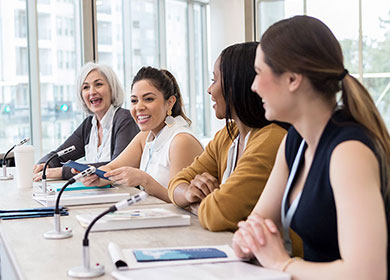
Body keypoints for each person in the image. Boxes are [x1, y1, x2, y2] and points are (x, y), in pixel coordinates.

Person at [232, 16, 390, 279]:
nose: (253, 86)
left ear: (293, 79)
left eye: (259, 73)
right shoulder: (294, 140)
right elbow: (256, 222)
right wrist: (246, 240)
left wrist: (281, 263)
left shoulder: (349, 151)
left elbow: (368, 272)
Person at [168, 42, 288, 232]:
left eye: (214, 80)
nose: (209, 89)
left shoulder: (271, 139)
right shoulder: (228, 135)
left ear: (237, 85)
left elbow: (218, 215)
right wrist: (190, 193)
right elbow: (176, 183)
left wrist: (201, 203)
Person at [81, 66, 203, 202]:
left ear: (169, 103)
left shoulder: (181, 141)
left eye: (149, 99)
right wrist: (97, 176)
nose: (139, 107)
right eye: (134, 100)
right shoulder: (146, 136)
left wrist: (145, 181)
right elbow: (112, 168)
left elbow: (185, 201)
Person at [33, 62, 139, 180]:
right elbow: (57, 156)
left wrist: (62, 172)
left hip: (124, 194)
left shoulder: (125, 120)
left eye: (98, 84)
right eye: (86, 87)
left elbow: (116, 167)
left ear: (111, 89)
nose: (92, 92)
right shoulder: (89, 125)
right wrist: (44, 164)